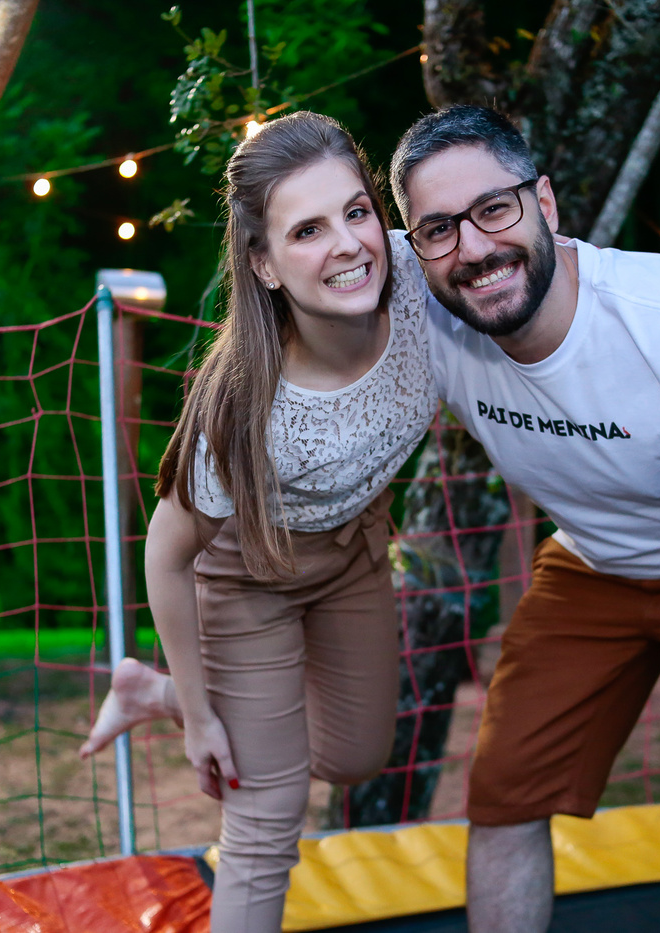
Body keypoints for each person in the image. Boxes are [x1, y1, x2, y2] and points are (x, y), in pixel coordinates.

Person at [389, 105, 660, 933]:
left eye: (494, 209)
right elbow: (306, 245)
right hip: (593, 563)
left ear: (544, 203)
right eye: (439, 228)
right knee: (502, 797)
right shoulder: (420, 304)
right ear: (412, 245)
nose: (474, 248)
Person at [79, 110, 439, 933]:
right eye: (307, 230)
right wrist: (203, 716)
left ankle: (150, 691)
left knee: (356, 754)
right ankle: (187, 696)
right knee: (266, 815)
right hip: (249, 577)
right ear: (265, 264)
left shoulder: (423, 280)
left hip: (354, 550)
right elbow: (166, 556)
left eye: (356, 211)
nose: (349, 245)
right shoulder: (243, 410)